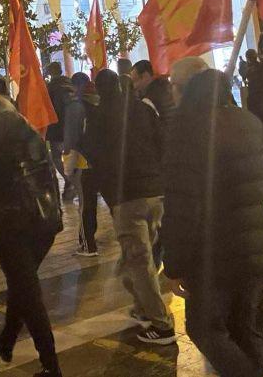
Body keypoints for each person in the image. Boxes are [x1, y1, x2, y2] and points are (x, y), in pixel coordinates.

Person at [163, 70, 263, 377]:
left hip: (213, 256)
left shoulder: (188, 131)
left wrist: (174, 265)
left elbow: (181, 206)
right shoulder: (250, 122)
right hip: (256, 250)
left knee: (205, 328)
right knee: (249, 331)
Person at [0, 93, 63, 377]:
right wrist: (55, 216)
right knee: (23, 284)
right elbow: (48, 174)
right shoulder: (27, 127)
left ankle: (51, 365)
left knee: (28, 292)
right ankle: (6, 340)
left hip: (11, 227)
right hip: (44, 222)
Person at [91, 68, 174, 345]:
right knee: (140, 258)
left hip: (127, 197)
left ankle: (162, 326)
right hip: (155, 192)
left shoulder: (99, 117)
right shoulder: (143, 109)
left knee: (139, 264)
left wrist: (111, 197)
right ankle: (143, 307)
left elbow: (96, 161)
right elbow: (163, 143)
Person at [62, 76, 100, 257]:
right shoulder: (100, 101)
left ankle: (88, 245)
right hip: (102, 159)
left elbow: (71, 137)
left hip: (83, 160)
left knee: (85, 203)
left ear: (76, 86)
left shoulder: (75, 107)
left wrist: (67, 157)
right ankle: (89, 238)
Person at [44, 62, 74, 201]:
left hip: (56, 129)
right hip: (73, 126)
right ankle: (73, 181)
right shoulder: (71, 85)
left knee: (57, 157)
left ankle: (69, 180)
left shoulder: (50, 88)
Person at [130, 59, 175, 127]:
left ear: (146, 76)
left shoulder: (147, 100)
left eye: (135, 81)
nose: (134, 86)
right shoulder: (168, 87)